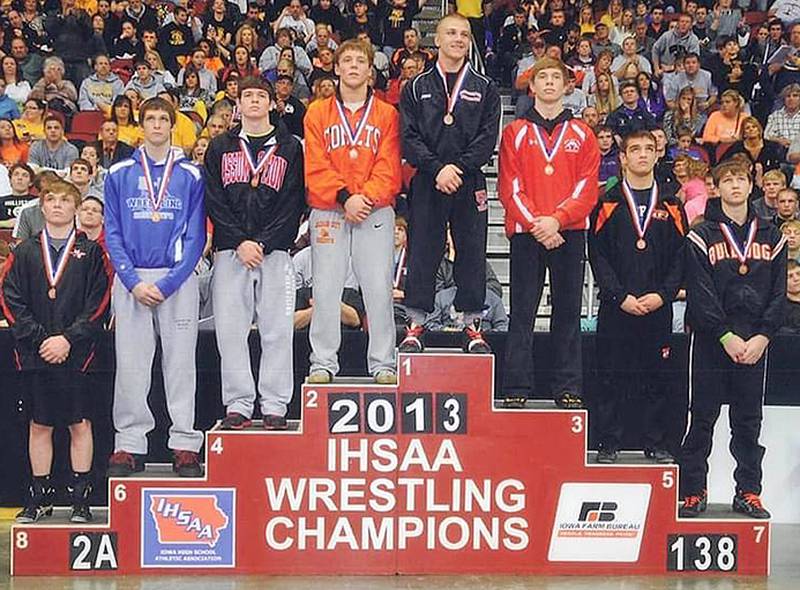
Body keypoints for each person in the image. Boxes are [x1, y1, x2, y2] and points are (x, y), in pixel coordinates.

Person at [104, 97, 206, 478]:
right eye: (151, 119)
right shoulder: (118, 173)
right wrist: (131, 280)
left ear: (173, 124)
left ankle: (184, 443)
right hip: (132, 279)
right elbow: (111, 233)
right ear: (141, 125)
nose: (158, 125)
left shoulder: (191, 175)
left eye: (165, 118)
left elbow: (197, 236)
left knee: (181, 364)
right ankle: (129, 443)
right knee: (131, 366)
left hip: (176, 279)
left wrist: (169, 282)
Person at [680, 159, 787, 519]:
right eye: (727, 180)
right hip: (712, 340)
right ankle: (693, 490)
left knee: (748, 421)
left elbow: (779, 292)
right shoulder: (701, 234)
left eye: (741, 179)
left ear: (751, 185)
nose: (735, 186)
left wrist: (763, 336)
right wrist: (724, 333)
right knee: (702, 417)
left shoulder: (773, 235)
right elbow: (699, 291)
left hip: (755, 341)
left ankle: (749, 491)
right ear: (716, 187)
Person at [0, 179, 111, 523]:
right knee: (39, 425)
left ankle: (81, 499)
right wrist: (40, 339)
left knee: (80, 424)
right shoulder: (25, 251)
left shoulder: (92, 252)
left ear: (76, 209)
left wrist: (68, 339)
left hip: (79, 356)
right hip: (35, 355)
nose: (59, 205)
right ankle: (40, 497)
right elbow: (10, 298)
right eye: (52, 200)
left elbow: (99, 303)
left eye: (66, 200)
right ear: (42, 207)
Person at [498, 57, 599, 409]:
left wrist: (556, 219)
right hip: (528, 233)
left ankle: (567, 386)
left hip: (568, 232)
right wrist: (539, 224)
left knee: (568, 310)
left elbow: (587, 188)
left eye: (557, 77)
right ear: (532, 85)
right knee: (522, 311)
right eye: (544, 77)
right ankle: (516, 386)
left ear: (568, 86)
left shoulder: (583, 134)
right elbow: (509, 188)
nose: (551, 83)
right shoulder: (514, 132)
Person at [204, 77, 305, 430]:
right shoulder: (219, 147)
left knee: (277, 329)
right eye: (248, 96)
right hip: (231, 251)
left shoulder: (290, 146)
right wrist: (239, 241)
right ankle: (239, 402)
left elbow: (293, 202)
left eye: (261, 96)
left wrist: (262, 242)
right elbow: (214, 200)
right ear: (238, 104)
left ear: (272, 104)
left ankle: (275, 403)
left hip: (274, 251)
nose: (254, 102)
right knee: (231, 330)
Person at [398, 14, 500, 354]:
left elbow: (488, 139)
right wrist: (437, 168)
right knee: (424, 249)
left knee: (471, 251)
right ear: (436, 41)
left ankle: (472, 324)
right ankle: (415, 322)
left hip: (469, 181)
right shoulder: (415, 87)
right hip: (429, 180)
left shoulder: (485, 88)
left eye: (464, 34)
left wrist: (457, 167)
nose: (458, 39)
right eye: (451, 33)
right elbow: (408, 138)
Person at [304, 39, 401, 384]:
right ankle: (323, 362)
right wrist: (346, 197)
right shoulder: (317, 112)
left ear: (370, 71)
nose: (354, 66)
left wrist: (365, 198)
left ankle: (383, 362)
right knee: (326, 287)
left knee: (377, 288)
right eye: (347, 60)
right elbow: (315, 163)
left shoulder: (387, 114)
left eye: (361, 61)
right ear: (337, 68)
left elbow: (389, 166)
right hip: (330, 208)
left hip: (374, 210)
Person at [588, 130, 687, 464]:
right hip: (617, 306)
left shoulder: (672, 203)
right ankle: (608, 441)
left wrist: (663, 295)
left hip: (658, 307)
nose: (643, 155)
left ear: (657, 155)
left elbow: (680, 257)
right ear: (624, 158)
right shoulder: (607, 201)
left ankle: (655, 441)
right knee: (611, 375)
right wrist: (619, 296)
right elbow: (597, 254)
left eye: (649, 149)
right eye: (635, 150)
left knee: (656, 376)